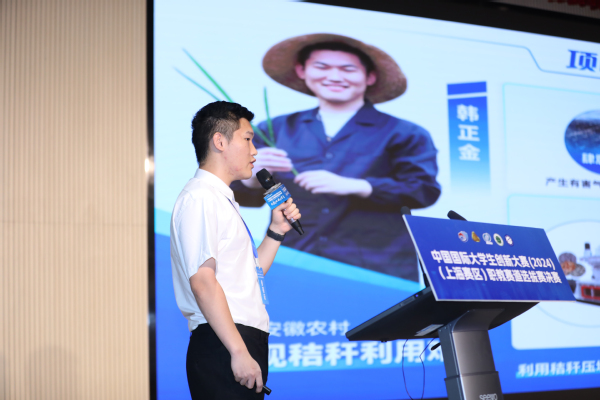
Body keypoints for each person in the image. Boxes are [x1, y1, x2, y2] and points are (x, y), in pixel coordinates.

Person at [231, 34, 440, 281]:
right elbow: (242, 194)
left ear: (370, 77)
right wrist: (252, 178)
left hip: (376, 267)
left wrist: (358, 186)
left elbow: (424, 190)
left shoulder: (404, 133)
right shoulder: (275, 129)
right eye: (321, 67)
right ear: (302, 71)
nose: (334, 76)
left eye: (348, 69)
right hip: (294, 259)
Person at [170, 101, 301, 399]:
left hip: (237, 339)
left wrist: (277, 230)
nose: (255, 151)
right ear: (219, 141)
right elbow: (203, 282)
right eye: (248, 139)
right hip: (225, 342)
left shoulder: (220, 199)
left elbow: (250, 274)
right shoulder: (200, 197)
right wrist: (238, 351)